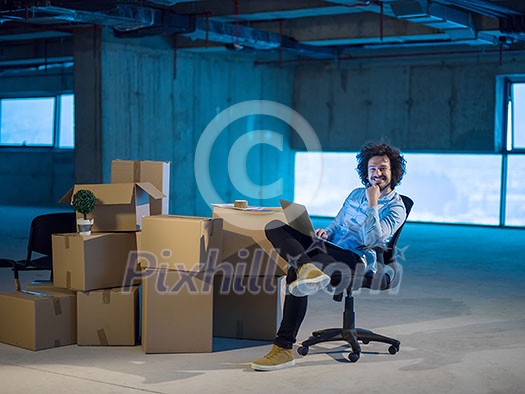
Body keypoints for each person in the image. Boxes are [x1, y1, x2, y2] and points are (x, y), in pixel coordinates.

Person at [251, 142, 407, 371]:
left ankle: (283, 348)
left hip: (356, 260)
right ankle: (308, 267)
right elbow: (338, 224)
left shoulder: (397, 207)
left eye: (383, 168)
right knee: (275, 226)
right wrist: (325, 233)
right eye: (372, 169)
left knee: (294, 272)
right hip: (330, 249)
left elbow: (373, 239)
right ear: (366, 171)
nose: (377, 174)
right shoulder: (355, 194)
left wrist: (373, 203)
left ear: (393, 171)